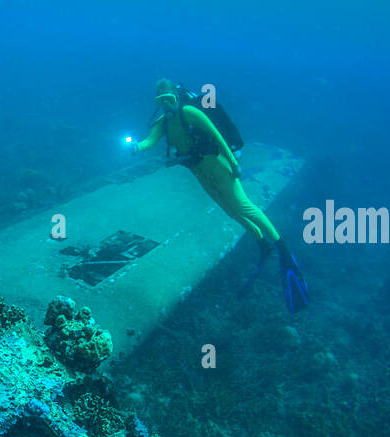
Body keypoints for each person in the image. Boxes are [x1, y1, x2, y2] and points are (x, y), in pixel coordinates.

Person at [128, 79, 308, 312]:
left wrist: (234, 162)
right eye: (160, 101)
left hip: (218, 165)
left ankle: (280, 245)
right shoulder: (163, 122)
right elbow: (150, 141)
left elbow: (217, 136)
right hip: (200, 173)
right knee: (230, 210)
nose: (165, 105)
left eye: (169, 100)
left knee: (243, 206)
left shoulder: (190, 112)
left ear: (177, 97)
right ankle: (261, 241)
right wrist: (136, 147)